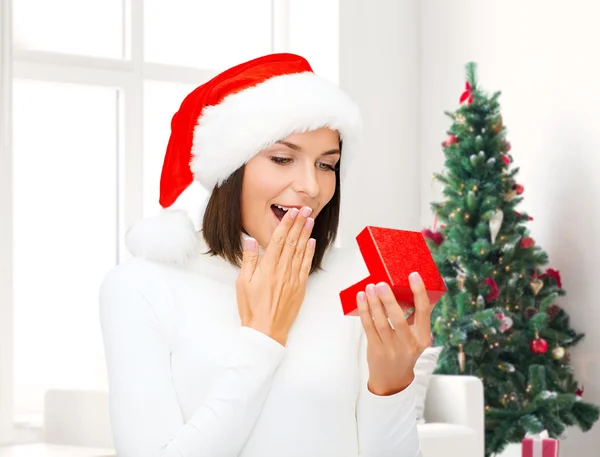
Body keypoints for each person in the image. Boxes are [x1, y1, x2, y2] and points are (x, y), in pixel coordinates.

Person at [99, 53, 432, 457]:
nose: (311, 186)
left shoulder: (355, 278)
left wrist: (392, 384)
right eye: (282, 158)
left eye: (327, 164)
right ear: (230, 168)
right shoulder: (142, 285)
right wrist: (263, 337)